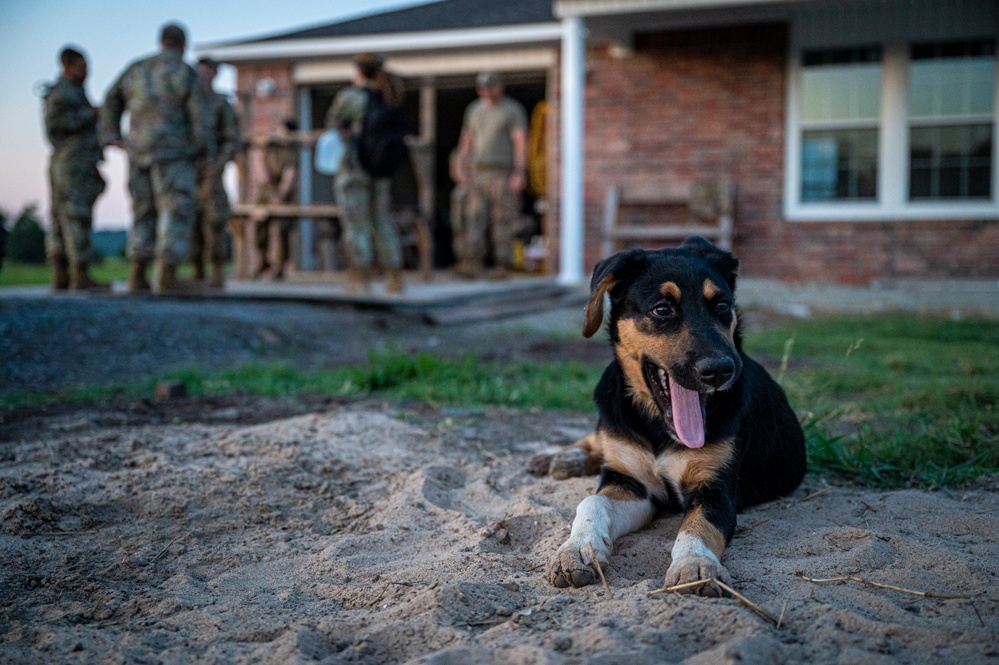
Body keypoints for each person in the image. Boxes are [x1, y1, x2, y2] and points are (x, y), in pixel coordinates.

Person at [100, 23, 208, 293]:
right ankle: (167, 275)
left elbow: (110, 99)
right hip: (174, 154)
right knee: (175, 208)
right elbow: (200, 118)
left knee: (143, 209)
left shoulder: (137, 69)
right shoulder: (185, 73)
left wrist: (112, 135)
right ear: (183, 45)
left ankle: (137, 273)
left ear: (161, 41)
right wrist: (202, 152)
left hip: (138, 152)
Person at [326, 52, 405, 294]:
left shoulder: (351, 97)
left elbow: (334, 122)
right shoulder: (390, 94)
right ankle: (394, 277)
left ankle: (361, 279)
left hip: (354, 169)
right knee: (382, 222)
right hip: (380, 172)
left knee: (356, 225)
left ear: (359, 71)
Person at [452, 71, 528, 279]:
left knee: (502, 218)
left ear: (500, 87)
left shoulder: (512, 110)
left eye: (490, 86)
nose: (486, 91)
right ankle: (472, 262)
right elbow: (466, 140)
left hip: (501, 172)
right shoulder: (474, 110)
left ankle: (502, 264)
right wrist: (460, 164)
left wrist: (519, 172)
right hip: (477, 172)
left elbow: (520, 141)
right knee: (474, 217)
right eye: (482, 87)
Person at [43, 46, 107, 291]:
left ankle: (63, 276)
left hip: (73, 161)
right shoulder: (62, 93)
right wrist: (89, 115)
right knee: (74, 216)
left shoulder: (74, 91)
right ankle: (77, 275)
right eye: (81, 67)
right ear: (66, 65)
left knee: (63, 217)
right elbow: (54, 127)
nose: (86, 72)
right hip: (72, 163)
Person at [192, 57, 240, 288]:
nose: (202, 76)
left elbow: (232, 140)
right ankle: (196, 269)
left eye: (206, 72)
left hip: (212, 171)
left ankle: (217, 270)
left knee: (215, 221)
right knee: (191, 220)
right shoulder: (186, 102)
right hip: (187, 170)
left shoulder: (220, 103)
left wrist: (217, 163)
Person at [252, 118, 298, 280]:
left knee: (283, 229)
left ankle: (281, 265)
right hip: (266, 190)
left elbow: (289, 175)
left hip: (283, 193)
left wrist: (280, 194)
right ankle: (263, 260)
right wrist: (266, 184)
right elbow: (259, 159)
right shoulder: (270, 144)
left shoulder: (291, 151)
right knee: (260, 224)